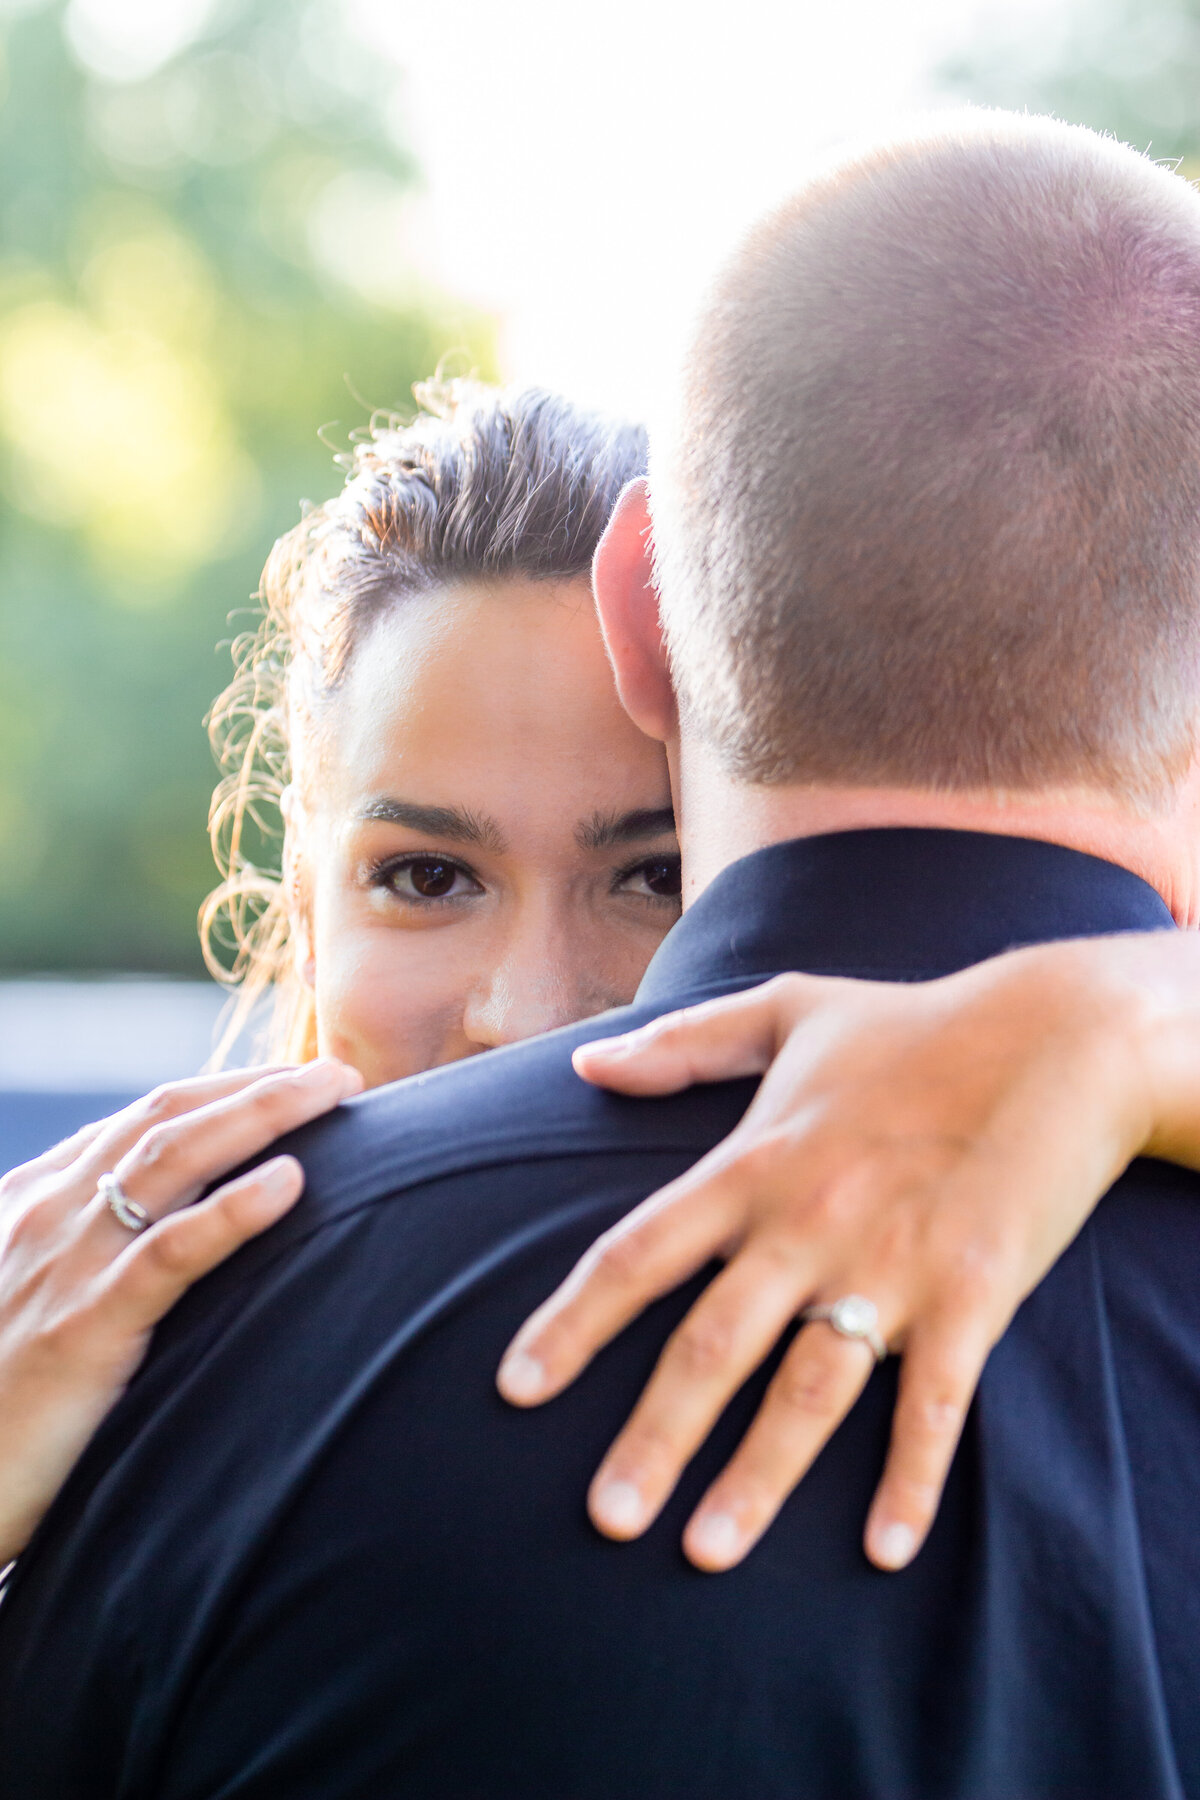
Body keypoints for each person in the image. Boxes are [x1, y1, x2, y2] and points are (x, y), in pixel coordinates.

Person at [5, 107, 1200, 1797]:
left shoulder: (221, 1411)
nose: (532, 1011)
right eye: (424, 875)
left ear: (674, 651)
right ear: (295, 886)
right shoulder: (101, 1355)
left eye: (651, 879)